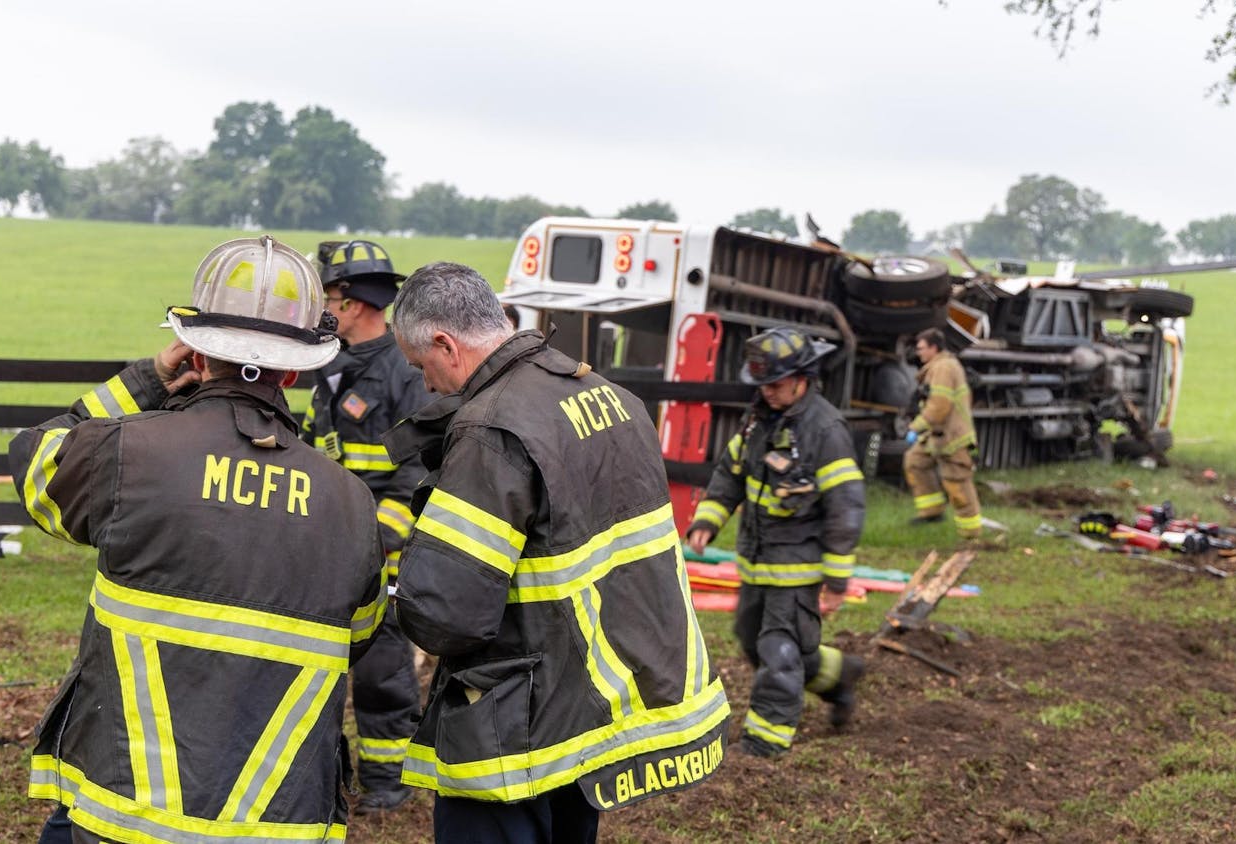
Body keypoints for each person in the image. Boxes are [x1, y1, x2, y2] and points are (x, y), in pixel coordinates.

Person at [12, 235, 387, 843]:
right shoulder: (350, 502)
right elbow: (362, 633)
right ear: (294, 370)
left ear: (195, 352)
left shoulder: (131, 452)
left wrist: (148, 380)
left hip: (125, 812)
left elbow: (36, 462)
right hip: (278, 821)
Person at [384, 262, 728, 844]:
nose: (427, 386)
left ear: (446, 343)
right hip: (591, 707)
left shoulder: (490, 430)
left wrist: (397, 592)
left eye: (422, 367)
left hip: (516, 719)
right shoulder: (610, 396)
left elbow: (447, 614)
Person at [685, 326, 866, 757]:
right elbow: (730, 474)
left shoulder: (826, 430)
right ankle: (840, 676)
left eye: (777, 384)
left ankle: (764, 744)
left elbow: (847, 508)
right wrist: (708, 521)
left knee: (779, 650)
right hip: (757, 564)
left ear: (803, 378)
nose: (767, 392)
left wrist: (837, 580)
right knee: (753, 640)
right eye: (762, 384)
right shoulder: (757, 422)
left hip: (798, 569)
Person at [301, 239, 429, 813]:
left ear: (353, 303)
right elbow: (305, 447)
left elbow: (418, 471)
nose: (324, 309)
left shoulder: (405, 370)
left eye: (329, 297)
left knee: (381, 670)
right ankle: (325, 770)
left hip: (384, 551)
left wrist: (379, 539)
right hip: (324, 543)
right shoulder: (325, 366)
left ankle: (386, 779)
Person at [903, 327, 983, 538]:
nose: (918, 353)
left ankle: (971, 533)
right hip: (937, 434)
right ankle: (932, 512)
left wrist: (915, 427)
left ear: (934, 348)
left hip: (953, 437)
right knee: (915, 462)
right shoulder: (937, 367)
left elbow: (939, 406)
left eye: (921, 348)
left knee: (956, 483)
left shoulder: (944, 368)